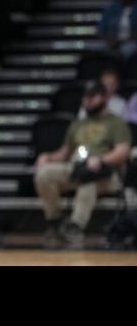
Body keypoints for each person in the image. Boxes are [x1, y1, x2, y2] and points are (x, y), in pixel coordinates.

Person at [33, 81, 131, 247]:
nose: (87, 101)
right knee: (44, 174)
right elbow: (64, 153)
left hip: (107, 173)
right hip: (78, 167)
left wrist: (101, 160)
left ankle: (75, 226)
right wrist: (47, 157)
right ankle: (54, 220)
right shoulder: (78, 123)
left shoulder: (116, 123)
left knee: (89, 183)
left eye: (92, 96)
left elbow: (122, 151)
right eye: (85, 97)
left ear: (104, 97)